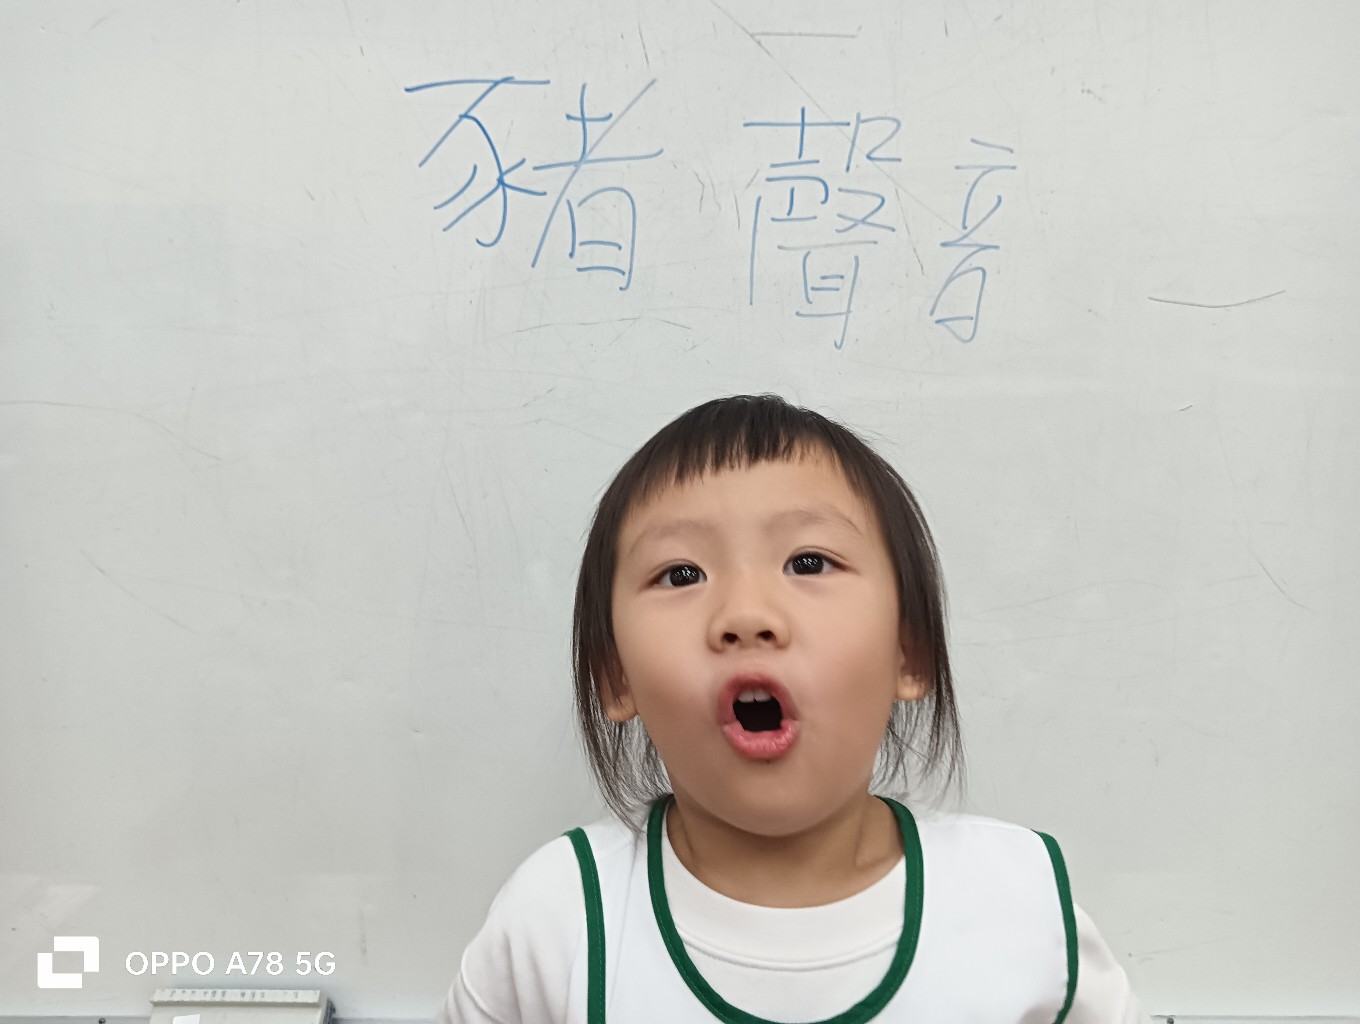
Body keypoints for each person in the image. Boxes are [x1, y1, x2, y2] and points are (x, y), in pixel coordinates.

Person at [436, 393, 1149, 1023]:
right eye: (681, 574)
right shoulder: (556, 921)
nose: (746, 615)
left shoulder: (1021, 904)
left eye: (809, 562)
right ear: (615, 675)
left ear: (910, 654)